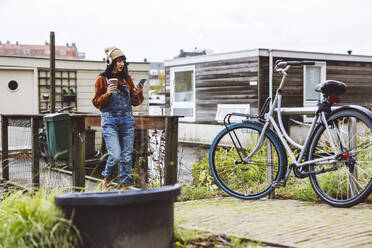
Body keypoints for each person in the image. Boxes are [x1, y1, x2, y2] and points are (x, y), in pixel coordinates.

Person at [92, 46, 144, 190]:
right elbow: (96, 102)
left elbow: (135, 102)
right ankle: (107, 179)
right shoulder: (102, 79)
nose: (122, 64)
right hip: (110, 121)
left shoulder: (126, 79)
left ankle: (125, 186)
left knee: (127, 155)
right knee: (115, 155)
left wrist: (139, 92)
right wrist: (107, 93)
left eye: (123, 61)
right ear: (111, 62)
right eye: (119, 61)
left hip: (127, 120)